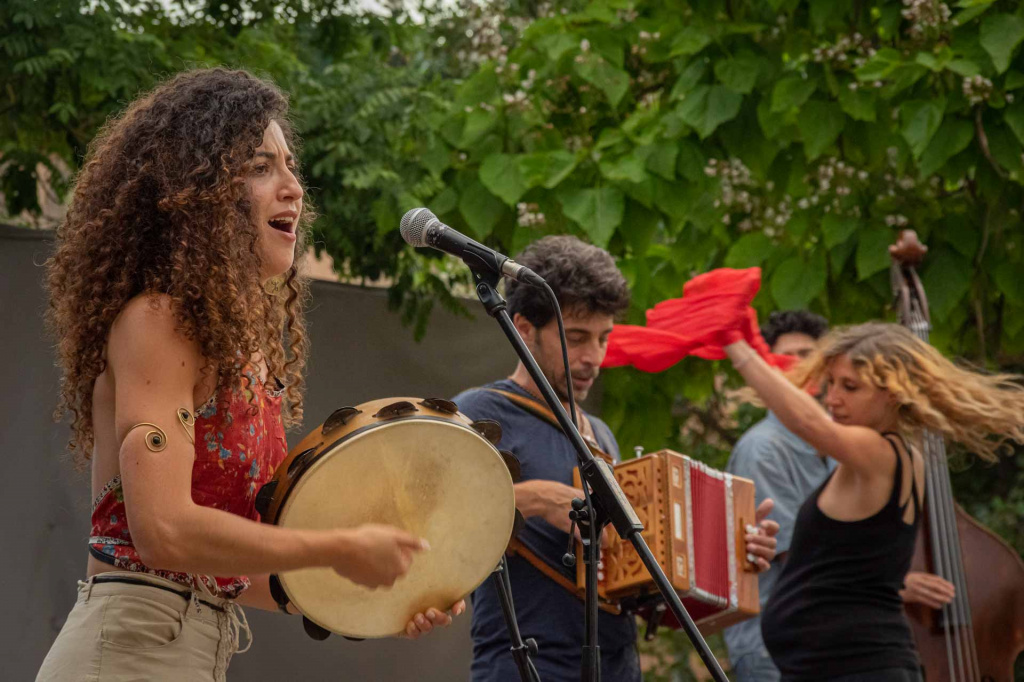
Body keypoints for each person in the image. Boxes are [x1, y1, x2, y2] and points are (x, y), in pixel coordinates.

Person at [37, 68, 461, 682]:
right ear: (196, 191)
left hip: (192, 650)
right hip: (128, 651)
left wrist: (389, 594)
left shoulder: (242, 353)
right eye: (261, 167)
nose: (293, 188)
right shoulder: (155, 321)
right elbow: (163, 533)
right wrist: (341, 546)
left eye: (290, 166)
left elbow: (234, 571)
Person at [453, 236, 779, 681]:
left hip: (618, 666)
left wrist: (732, 554)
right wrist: (531, 499)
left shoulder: (599, 434)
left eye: (604, 339)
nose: (593, 358)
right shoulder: (477, 413)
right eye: (577, 338)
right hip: (524, 665)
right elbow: (431, 524)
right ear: (524, 328)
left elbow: (631, 584)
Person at [721, 322, 1024, 682]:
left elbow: (809, 423)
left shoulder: (880, 453)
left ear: (893, 394)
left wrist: (735, 345)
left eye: (850, 387)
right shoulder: (884, 459)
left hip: (856, 667)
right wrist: (766, 545)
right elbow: (846, 566)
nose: (832, 398)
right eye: (830, 383)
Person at [724, 311, 835, 681]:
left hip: (823, 644)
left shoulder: (835, 443)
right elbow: (803, 555)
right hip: (773, 650)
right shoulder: (763, 448)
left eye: (810, 354)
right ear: (765, 370)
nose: (801, 365)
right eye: (788, 356)